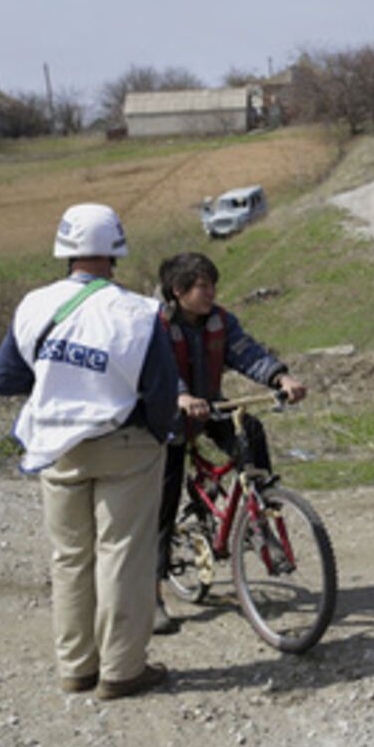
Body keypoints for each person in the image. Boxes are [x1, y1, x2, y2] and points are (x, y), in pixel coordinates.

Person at [0, 203, 178, 699]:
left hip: (57, 447)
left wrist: (58, 384)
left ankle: (76, 667)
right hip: (125, 445)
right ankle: (122, 671)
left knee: (70, 557)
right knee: (123, 555)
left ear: (64, 249)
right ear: (116, 249)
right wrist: (160, 434)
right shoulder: (139, 312)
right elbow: (161, 391)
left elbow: (4, 379)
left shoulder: (32, 306)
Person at [154, 252, 307, 633]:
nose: (211, 293)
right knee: (161, 507)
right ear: (178, 291)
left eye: (212, 284)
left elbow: (246, 352)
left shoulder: (221, 321)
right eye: (202, 286)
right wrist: (180, 396)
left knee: (250, 430)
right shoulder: (154, 326)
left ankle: (260, 515)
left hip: (209, 407)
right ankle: (151, 593)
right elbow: (157, 369)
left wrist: (279, 378)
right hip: (168, 418)